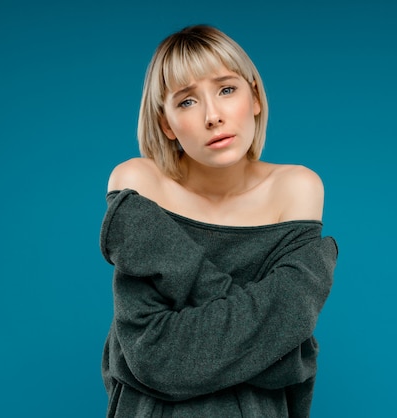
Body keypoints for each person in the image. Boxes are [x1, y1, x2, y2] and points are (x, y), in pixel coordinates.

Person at [99, 24, 338, 418]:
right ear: (166, 124)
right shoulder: (138, 183)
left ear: (255, 98)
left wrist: (284, 343)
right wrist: (276, 349)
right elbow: (151, 355)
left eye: (227, 89)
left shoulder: (296, 187)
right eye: (187, 101)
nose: (213, 116)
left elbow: (292, 346)